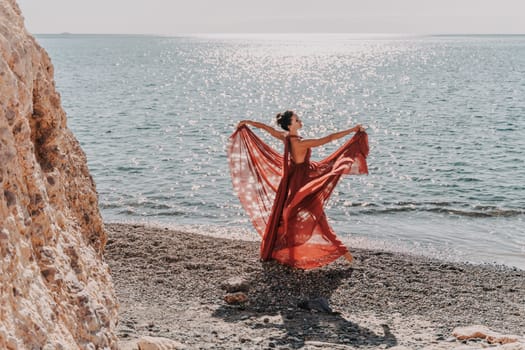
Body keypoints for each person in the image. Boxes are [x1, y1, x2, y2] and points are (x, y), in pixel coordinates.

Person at [228, 110, 369, 269]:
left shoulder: (286, 138)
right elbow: (328, 138)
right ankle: (343, 254)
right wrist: (352, 130)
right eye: (296, 120)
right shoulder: (300, 143)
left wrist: (248, 122)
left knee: (296, 215)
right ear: (290, 125)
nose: (300, 121)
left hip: (294, 180)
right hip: (303, 182)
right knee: (316, 216)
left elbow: (268, 129)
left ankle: (332, 253)